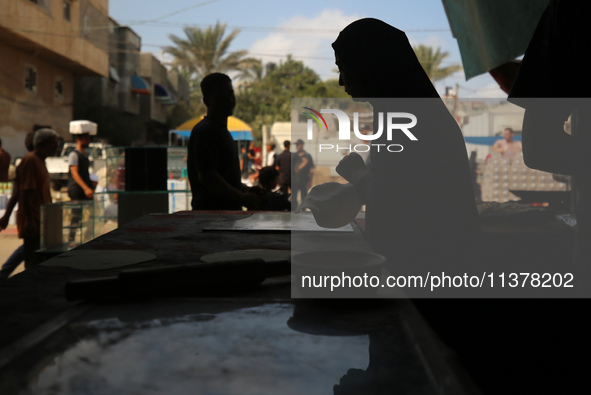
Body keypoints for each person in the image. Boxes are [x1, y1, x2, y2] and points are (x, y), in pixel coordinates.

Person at [331, 18, 480, 274]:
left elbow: (400, 201)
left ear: (369, 65)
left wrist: (356, 173)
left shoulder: (411, 119)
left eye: (343, 67)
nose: (341, 82)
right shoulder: (405, 112)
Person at [187, 73, 260, 210]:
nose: (229, 99)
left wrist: (245, 190)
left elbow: (224, 179)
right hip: (212, 218)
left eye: (231, 94)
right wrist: (242, 197)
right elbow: (207, 176)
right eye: (221, 96)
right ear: (206, 101)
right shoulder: (206, 131)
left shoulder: (219, 131)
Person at [15, 129, 58, 267]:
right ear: (40, 144)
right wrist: (29, 220)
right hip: (34, 221)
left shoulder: (40, 161)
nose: (56, 147)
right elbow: (25, 192)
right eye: (53, 144)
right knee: (32, 261)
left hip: (41, 221)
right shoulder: (30, 161)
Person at [0, 132, 34, 279]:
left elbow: (18, 193)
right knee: (29, 247)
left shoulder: (29, 162)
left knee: (29, 247)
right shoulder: (25, 161)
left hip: (31, 215)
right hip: (30, 216)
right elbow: (18, 193)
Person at [292, 139, 314, 209]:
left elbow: (311, 170)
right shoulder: (294, 156)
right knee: (293, 197)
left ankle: (303, 211)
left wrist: (310, 181)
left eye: (298, 144)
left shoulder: (308, 156)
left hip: (304, 180)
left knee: (304, 196)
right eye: (296, 145)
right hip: (295, 180)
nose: (297, 146)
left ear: (302, 145)